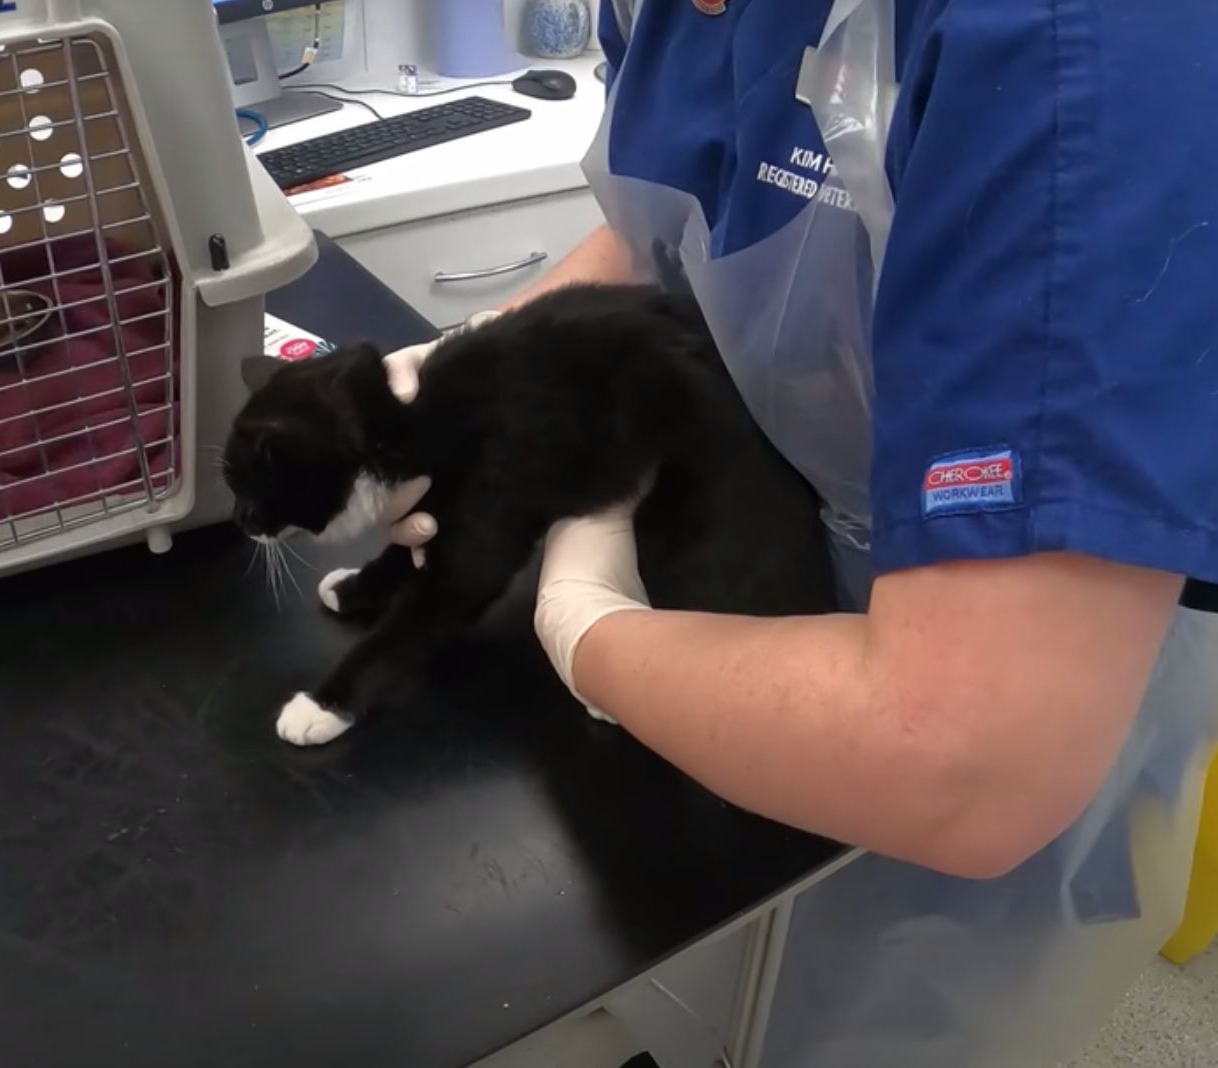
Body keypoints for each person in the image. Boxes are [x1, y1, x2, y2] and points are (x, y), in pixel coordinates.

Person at [383, 1, 1218, 1065]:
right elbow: (677, 222)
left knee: (877, 1018)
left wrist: (583, 625)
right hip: (767, 584)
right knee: (699, 983)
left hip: (1014, 660)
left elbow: (963, 760)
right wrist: (483, 369)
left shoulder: (1083, 49)